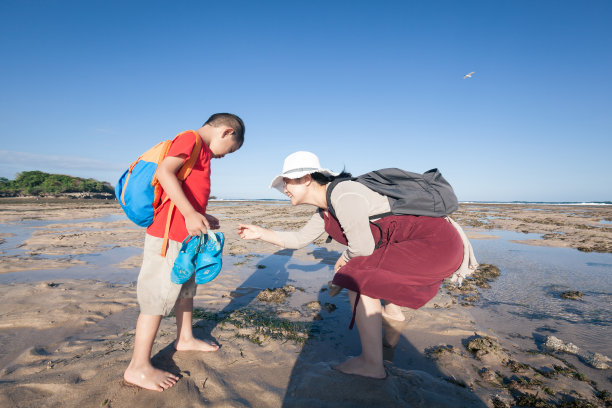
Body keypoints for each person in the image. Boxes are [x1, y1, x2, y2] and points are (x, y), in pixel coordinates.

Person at [238, 151, 469, 379]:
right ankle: (393, 316)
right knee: (366, 267)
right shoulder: (326, 210)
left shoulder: (344, 194)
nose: (285, 189)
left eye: (287, 182)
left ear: (306, 179)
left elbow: (362, 247)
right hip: (425, 244)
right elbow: (298, 239)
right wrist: (260, 233)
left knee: (357, 279)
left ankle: (371, 364)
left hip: (435, 245)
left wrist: (343, 262)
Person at [123, 113, 245, 391]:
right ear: (226, 132)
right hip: (167, 237)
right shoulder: (189, 138)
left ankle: (185, 337)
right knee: (157, 296)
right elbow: (164, 172)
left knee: (186, 289)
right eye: (230, 150)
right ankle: (138, 366)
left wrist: (200, 215)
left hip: (187, 235)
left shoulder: (200, 149)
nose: (225, 157)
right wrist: (190, 213)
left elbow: (184, 189)